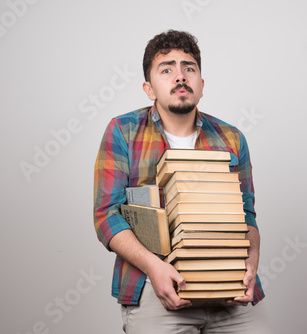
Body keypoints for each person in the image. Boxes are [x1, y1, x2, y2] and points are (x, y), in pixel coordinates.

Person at [93, 29, 272, 333]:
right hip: (156, 289)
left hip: (230, 291)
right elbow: (106, 216)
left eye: (188, 68)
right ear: (149, 88)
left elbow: (248, 216)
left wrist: (252, 258)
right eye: (167, 69)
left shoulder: (231, 138)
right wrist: (154, 268)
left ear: (201, 85)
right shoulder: (122, 131)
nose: (180, 76)